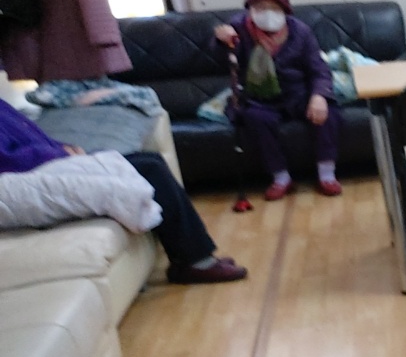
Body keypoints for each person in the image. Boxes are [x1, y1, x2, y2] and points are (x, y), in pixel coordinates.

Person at [0, 99, 247, 283]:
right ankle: (194, 262)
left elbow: (32, 136)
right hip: (34, 172)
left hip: (50, 162)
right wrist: (57, 153)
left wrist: (62, 147)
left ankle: (191, 257)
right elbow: (7, 159)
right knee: (150, 170)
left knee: (151, 160)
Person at [214, 0, 341, 201]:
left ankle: (327, 174)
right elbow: (223, 62)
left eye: (273, 7)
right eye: (260, 7)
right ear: (250, 10)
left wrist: (319, 96)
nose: (267, 13)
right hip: (259, 97)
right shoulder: (239, 29)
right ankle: (281, 177)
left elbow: (319, 69)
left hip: (297, 92)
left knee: (327, 113)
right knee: (255, 118)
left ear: (284, 9)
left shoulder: (300, 31)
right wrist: (221, 41)